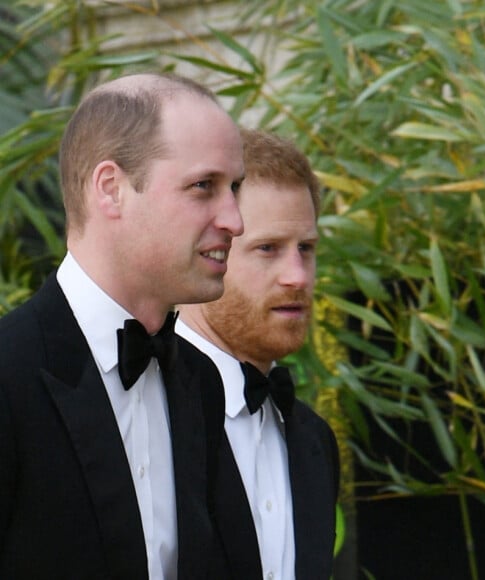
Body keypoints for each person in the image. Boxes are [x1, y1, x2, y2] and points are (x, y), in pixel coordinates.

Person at [0, 72, 245, 579]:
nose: (235, 220)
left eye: (234, 189)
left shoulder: (200, 382)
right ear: (111, 189)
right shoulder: (9, 373)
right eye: (204, 186)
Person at [177, 129, 340, 580]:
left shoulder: (314, 441)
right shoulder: (137, 409)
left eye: (306, 249)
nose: (297, 276)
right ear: (207, 249)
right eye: (268, 249)